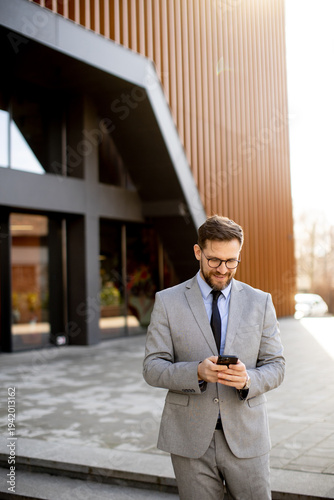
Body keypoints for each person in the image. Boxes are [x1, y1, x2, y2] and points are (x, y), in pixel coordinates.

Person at [143, 215, 285, 500]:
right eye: (214, 260)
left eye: (231, 261)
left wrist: (248, 379)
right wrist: (196, 372)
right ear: (198, 252)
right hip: (190, 438)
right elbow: (152, 367)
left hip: (247, 437)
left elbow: (277, 366)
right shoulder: (167, 301)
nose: (223, 269)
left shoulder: (261, 302)